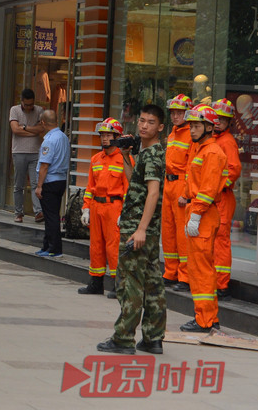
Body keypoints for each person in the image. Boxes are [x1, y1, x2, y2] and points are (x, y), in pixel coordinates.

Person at [97, 104, 167, 355]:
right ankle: (153, 338)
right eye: (141, 120)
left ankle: (123, 338)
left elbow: (153, 191)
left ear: (160, 127)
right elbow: (133, 180)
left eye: (150, 122)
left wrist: (140, 229)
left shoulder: (152, 154)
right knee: (151, 282)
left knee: (129, 282)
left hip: (138, 227)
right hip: (144, 227)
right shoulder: (147, 153)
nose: (143, 125)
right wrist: (127, 156)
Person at [179, 104, 227, 333]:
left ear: (209, 127)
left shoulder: (213, 153)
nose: (192, 130)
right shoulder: (200, 150)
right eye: (191, 126)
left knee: (202, 269)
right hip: (196, 212)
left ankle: (207, 320)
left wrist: (196, 214)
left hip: (203, 214)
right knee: (196, 268)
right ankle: (203, 317)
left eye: (197, 125)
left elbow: (207, 190)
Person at [79, 118, 129, 296]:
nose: (105, 138)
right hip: (96, 206)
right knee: (96, 246)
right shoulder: (95, 159)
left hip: (114, 206)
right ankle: (96, 283)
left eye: (108, 135)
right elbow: (89, 187)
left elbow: (128, 189)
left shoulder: (125, 159)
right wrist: (86, 208)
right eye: (103, 135)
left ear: (117, 136)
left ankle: (118, 285)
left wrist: (125, 212)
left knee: (113, 247)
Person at [211, 98, 241, 299]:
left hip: (222, 197)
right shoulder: (215, 140)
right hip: (215, 197)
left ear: (229, 121)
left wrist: (217, 187)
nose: (219, 121)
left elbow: (234, 170)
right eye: (217, 118)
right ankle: (215, 281)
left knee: (221, 241)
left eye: (223, 119)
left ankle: (222, 285)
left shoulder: (227, 142)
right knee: (213, 240)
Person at [162, 94, 193, 291]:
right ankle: (170, 272)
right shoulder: (172, 134)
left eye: (179, 113)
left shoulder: (191, 135)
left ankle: (185, 276)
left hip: (181, 185)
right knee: (168, 232)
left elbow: (191, 168)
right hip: (168, 184)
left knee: (182, 235)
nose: (175, 116)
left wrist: (187, 192)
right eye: (173, 113)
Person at [34, 110, 69, 258]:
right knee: (52, 215)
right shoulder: (63, 136)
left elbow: (44, 166)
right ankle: (47, 246)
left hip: (50, 181)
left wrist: (39, 186)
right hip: (61, 180)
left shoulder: (49, 140)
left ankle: (54, 248)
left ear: (43, 123)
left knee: (51, 217)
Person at [9, 88, 45, 223]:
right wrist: (32, 131)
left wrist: (24, 127)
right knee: (19, 184)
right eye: (26, 105)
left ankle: (38, 212)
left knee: (36, 183)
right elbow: (15, 130)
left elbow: (41, 128)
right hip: (18, 152)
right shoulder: (14, 110)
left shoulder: (39, 111)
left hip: (35, 152)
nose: (29, 107)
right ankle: (18, 213)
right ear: (21, 102)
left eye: (31, 104)